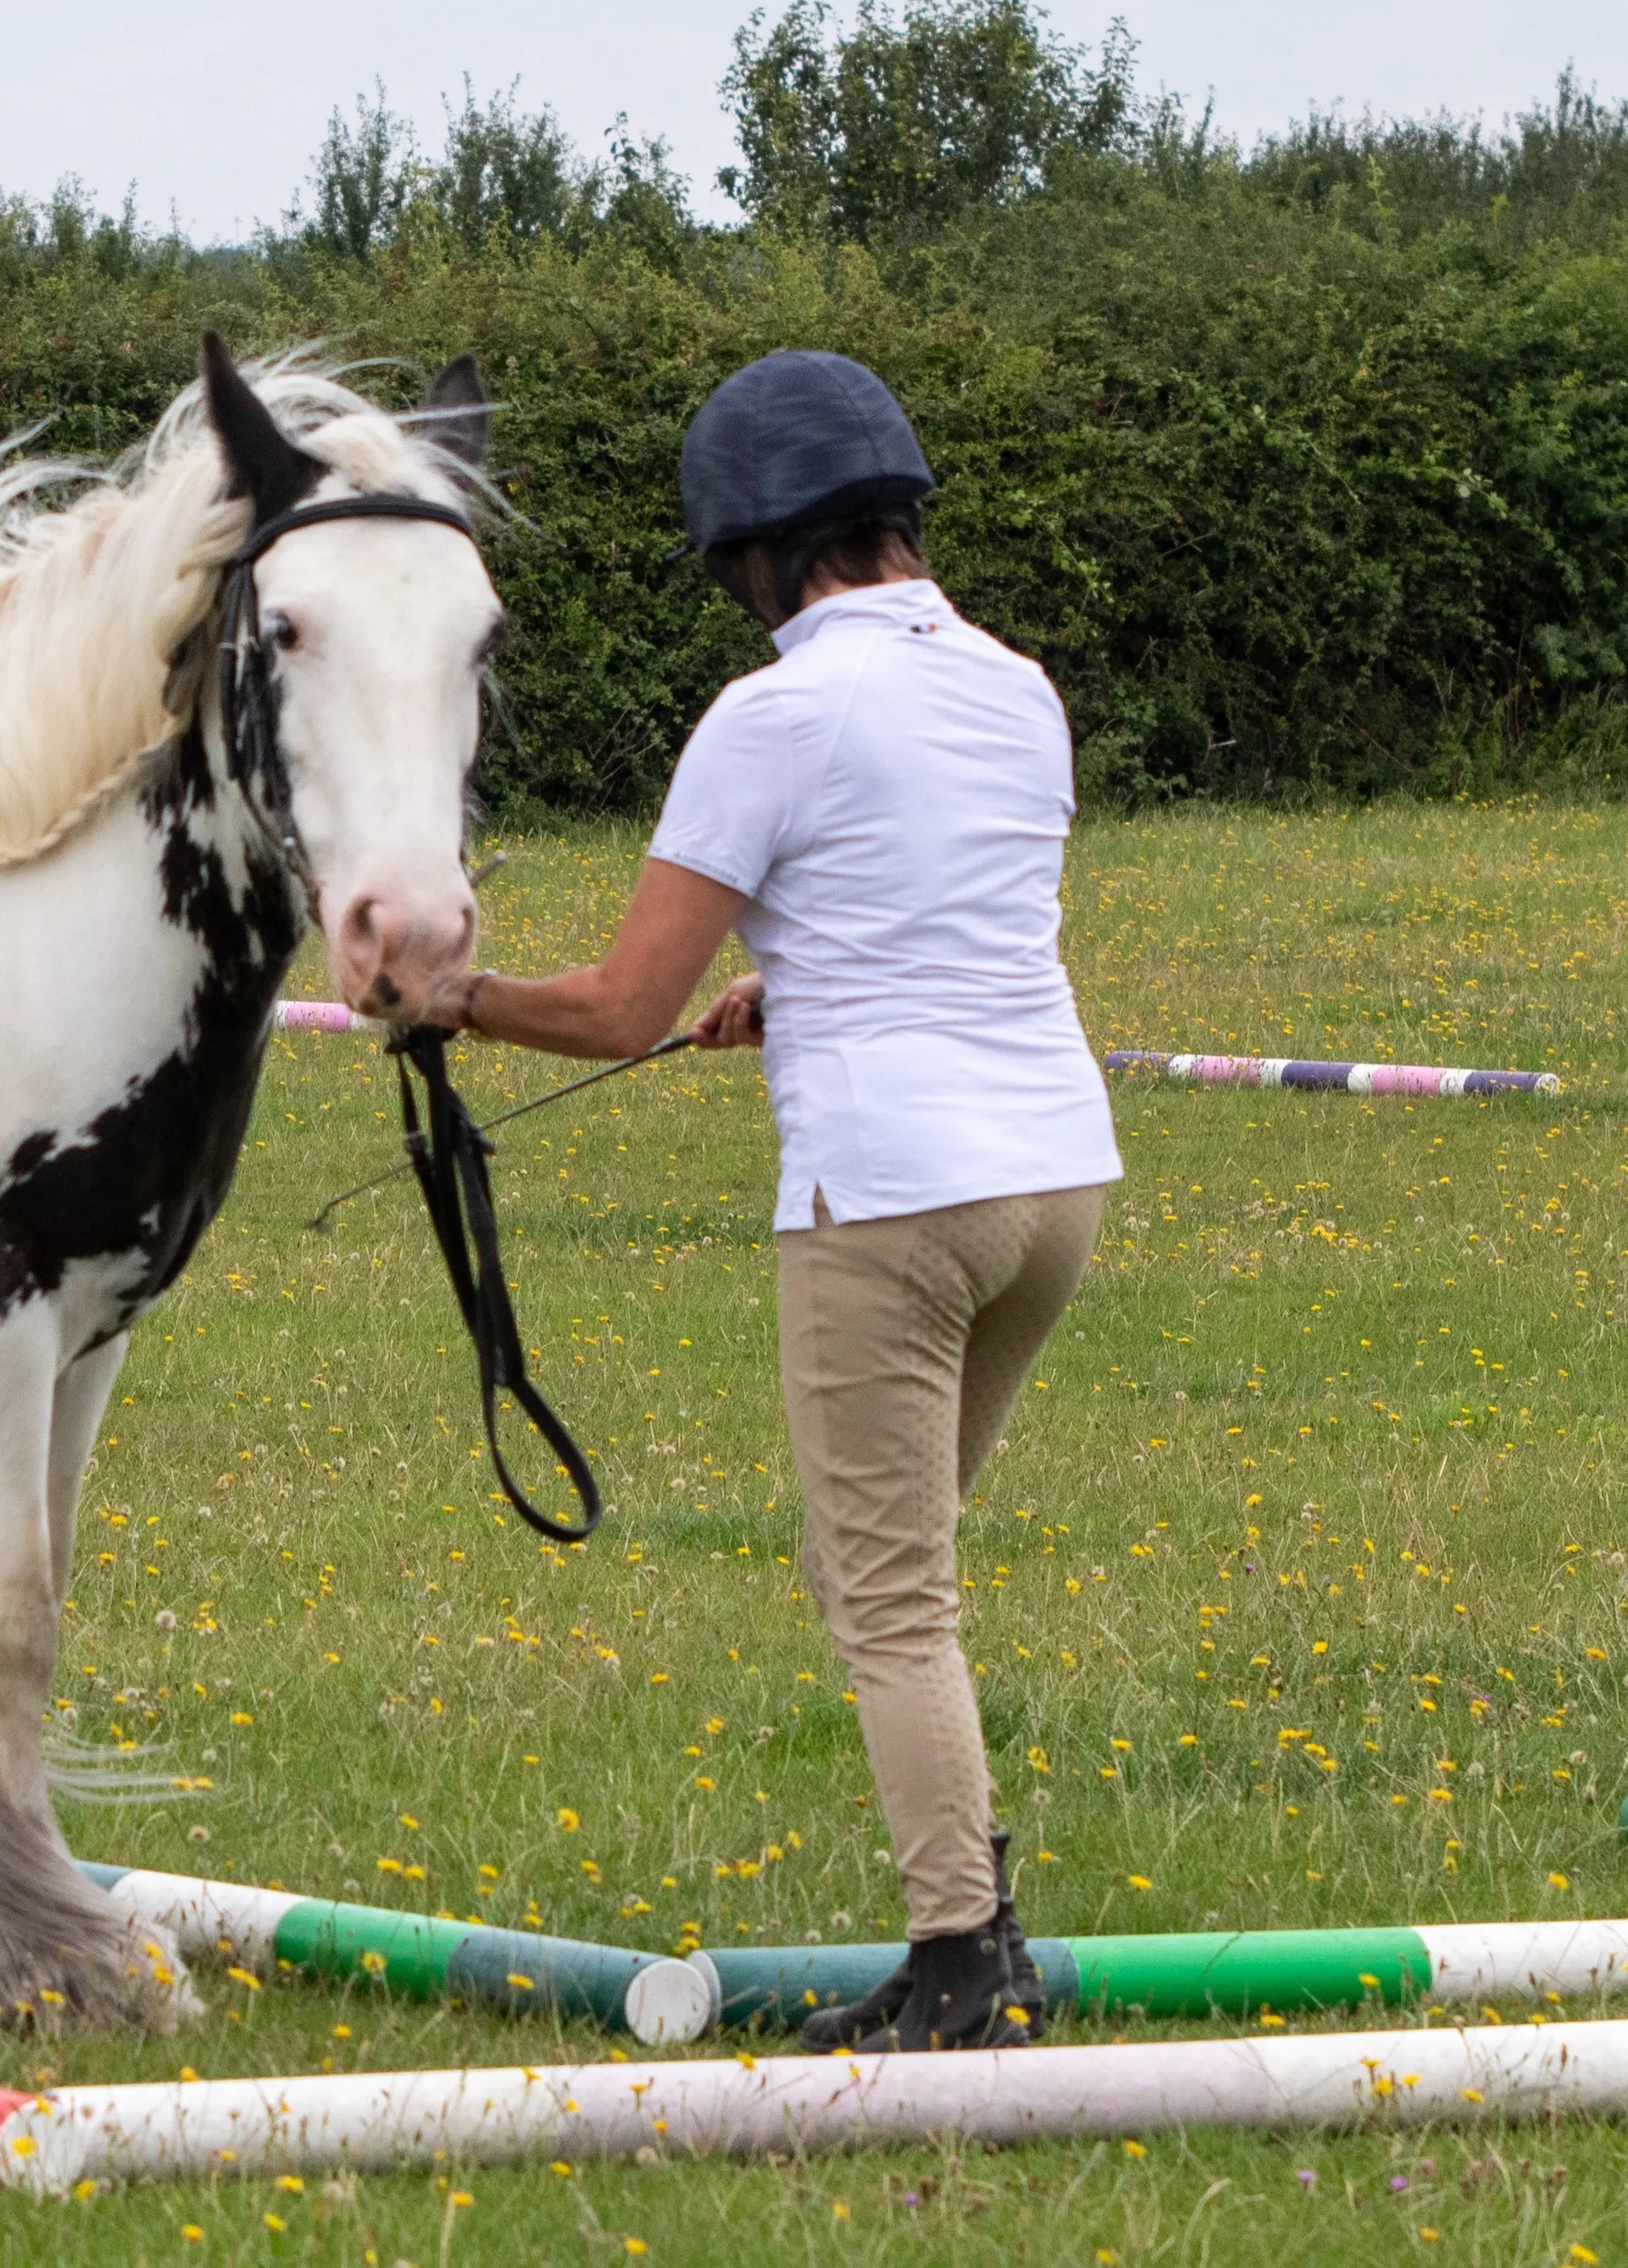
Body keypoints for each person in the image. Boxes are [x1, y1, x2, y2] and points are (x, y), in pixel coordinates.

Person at [425, 350, 1120, 2053]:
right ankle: (975, 1923)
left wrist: (444, 994)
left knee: (887, 1593)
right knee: (888, 1569)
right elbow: (930, 914)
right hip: (1053, 1181)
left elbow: (615, 1008)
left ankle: (963, 1951)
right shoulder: (1017, 685)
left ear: (757, 545)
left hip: (889, 1198)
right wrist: (790, 982)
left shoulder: (776, 713)